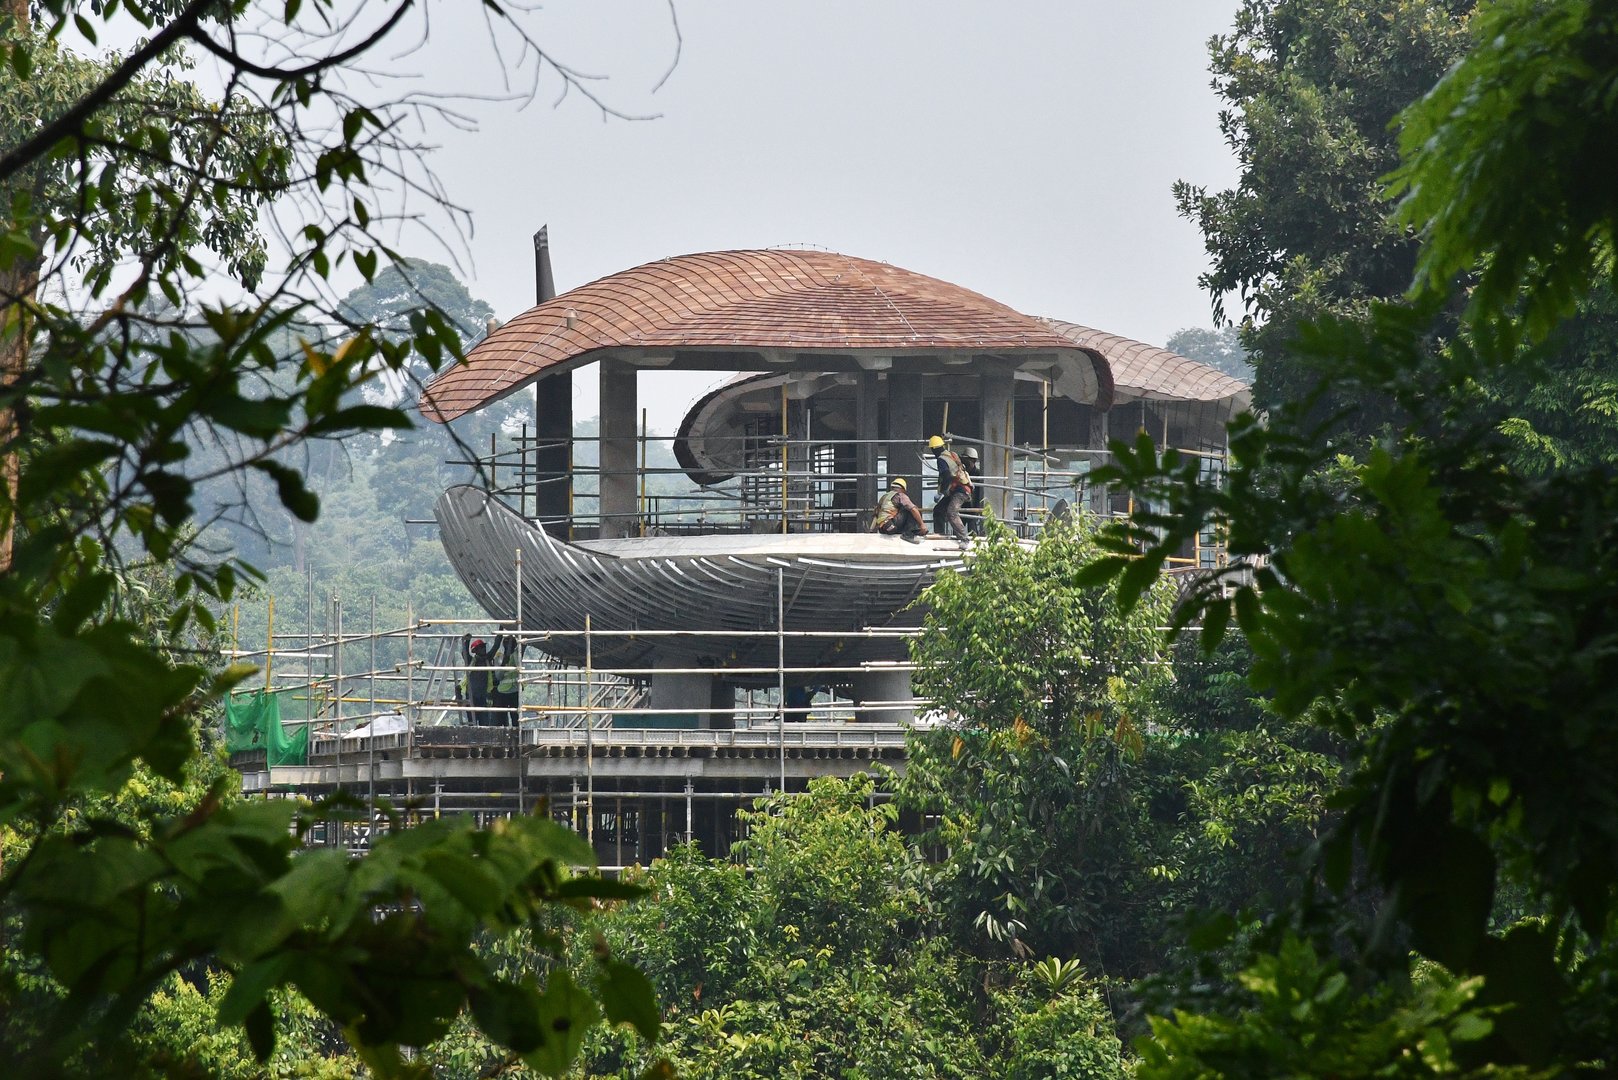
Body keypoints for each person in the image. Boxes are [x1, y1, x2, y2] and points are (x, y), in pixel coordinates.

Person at [928, 435, 973, 543]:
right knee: (938, 510)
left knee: (952, 512)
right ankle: (940, 535)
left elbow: (947, 476)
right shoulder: (952, 454)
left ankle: (964, 539)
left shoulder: (941, 460)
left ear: (934, 449)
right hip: (957, 489)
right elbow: (966, 465)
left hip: (960, 491)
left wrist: (942, 492)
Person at [871, 477, 926, 542]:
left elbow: (876, 514)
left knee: (901, 510)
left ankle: (909, 532)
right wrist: (922, 525)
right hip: (891, 525)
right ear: (902, 489)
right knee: (910, 511)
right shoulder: (900, 495)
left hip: (884, 529)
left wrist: (871, 530)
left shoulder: (884, 496)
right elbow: (913, 510)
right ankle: (908, 535)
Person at [461, 634, 495, 725]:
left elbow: (496, 646)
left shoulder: (487, 659)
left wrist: (501, 628)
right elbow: (464, 653)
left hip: (482, 696)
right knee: (472, 721)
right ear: (475, 650)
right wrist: (467, 641)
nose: (484, 649)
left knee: (484, 722)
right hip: (471, 695)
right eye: (481, 647)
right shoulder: (471, 661)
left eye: (484, 647)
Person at [491, 634, 521, 726]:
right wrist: (503, 663)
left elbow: (519, 667)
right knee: (500, 717)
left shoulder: (517, 655)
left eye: (511, 645)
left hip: (514, 691)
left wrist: (514, 653)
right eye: (507, 645)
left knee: (515, 717)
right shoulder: (499, 657)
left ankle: (516, 735)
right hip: (502, 692)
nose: (509, 647)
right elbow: (498, 676)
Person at [959, 446, 985, 534]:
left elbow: (979, 492)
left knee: (972, 528)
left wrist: (977, 507)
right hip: (962, 504)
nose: (965, 464)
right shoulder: (961, 473)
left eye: (967, 462)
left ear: (973, 461)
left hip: (973, 505)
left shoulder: (978, 474)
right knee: (958, 528)